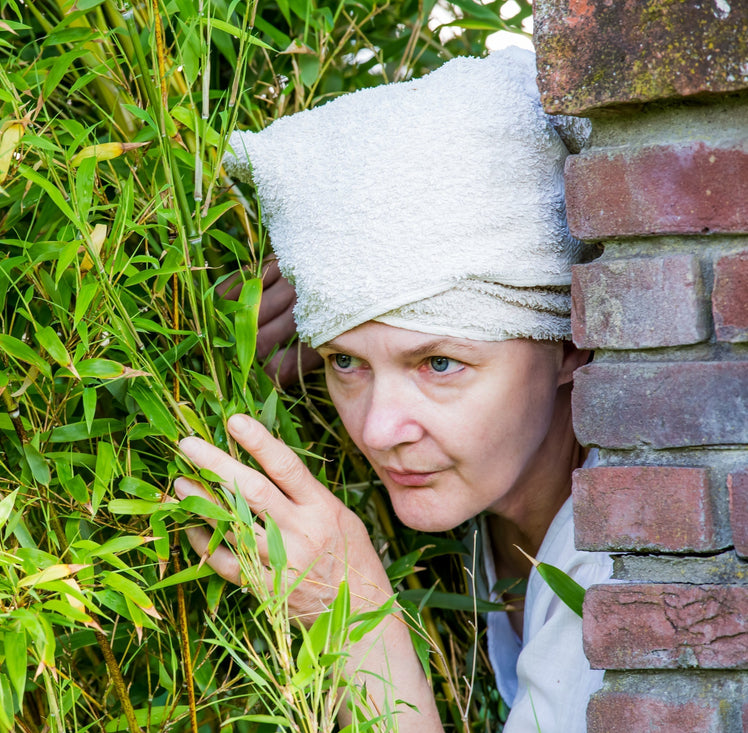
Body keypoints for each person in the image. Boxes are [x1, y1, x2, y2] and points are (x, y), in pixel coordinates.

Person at [173, 48, 612, 731]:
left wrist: (355, 622)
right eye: (345, 363)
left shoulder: (634, 569)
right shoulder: (487, 494)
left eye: (439, 364)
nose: (378, 431)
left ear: (571, 343)